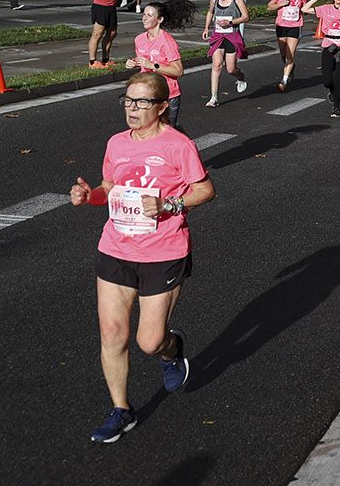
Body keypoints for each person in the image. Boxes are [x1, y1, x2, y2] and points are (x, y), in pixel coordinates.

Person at [68, 73, 215, 443]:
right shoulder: (116, 143)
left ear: (162, 107)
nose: (132, 109)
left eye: (142, 102)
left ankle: (171, 350)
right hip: (115, 248)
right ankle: (121, 410)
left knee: (149, 341)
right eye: (128, 100)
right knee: (112, 333)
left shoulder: (178, 145)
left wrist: (168, 204)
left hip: (163, 252)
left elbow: (205, 190)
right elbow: (109, 188)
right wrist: (90, 196)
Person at [125, 0, 196, 129]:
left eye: (149, 15)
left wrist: (153, 66)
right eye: (144, 14)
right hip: (147, 93)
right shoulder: (139, 39)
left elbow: (178, 71)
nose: (145, 18)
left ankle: (181, 138)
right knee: (145, 129)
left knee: (166, 132)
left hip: (167, 94)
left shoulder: (167, 42)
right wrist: (133, 62)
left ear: (159, 19)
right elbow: (143, 60)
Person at [202, 0, 249, 107]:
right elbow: (210, 12)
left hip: (232, 36)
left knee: (230, 69)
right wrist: (206, 28)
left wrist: (230, 22)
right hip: (218, 35)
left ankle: (240, 76)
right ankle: (214, 97)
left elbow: (246, 17)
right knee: (216, 65)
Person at [266, 0, 308, 93]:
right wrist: (281, 4)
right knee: (283, 53)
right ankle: (290, 66)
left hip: (295, 26)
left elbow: (305, 9)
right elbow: (269, 7)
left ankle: (284, 81)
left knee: (290, 53)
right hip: (281, 25)